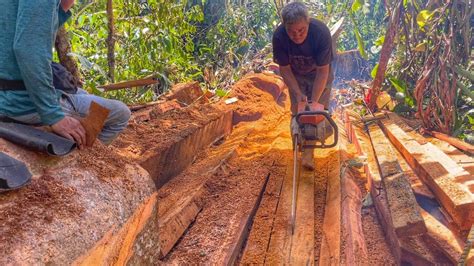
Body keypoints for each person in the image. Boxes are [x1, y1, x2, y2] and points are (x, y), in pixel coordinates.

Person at [0, 0, 130, 149]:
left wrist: (62, 7)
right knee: (121, 113)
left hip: (8, 90)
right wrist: (54, 116)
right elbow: (29, 51)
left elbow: (32, 28)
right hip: (19, 103)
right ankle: (83, 160)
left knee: (82, 93)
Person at [272, 2, 334, 170]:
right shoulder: (279, 37)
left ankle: (309, 153)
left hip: (319, 73)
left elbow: (323, 72)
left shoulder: (320, 33)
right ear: (284, 26)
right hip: (295, 74)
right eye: (291, 32)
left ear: (308, 23)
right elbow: (284, 69)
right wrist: (298, 92)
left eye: (301, 30)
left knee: (317, 112)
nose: (297, 35)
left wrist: (314, 100)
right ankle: (300, 141)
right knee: (298, 110)